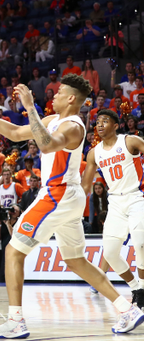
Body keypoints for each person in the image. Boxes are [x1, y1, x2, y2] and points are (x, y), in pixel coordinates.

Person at [0, 74, 144, 338]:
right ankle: (126, 308)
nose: (53, 96)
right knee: (76, 260)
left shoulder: (74, 126)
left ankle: (15, 321)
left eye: (59, 93)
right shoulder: (51, 120)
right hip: (66, 198)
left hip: (57, 195)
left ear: (71, 98)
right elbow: (14, 132)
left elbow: (46, 146)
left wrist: (29, 107)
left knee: (13, 251)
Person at [82, 109, 144, 310]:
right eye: (98, 122)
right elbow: (85, 185)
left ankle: (142, 287)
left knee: (141, 243)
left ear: (116, 125)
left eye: (105, 121)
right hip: (115, 202)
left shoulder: (130, 141)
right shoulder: (94, 153)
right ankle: (136, 288)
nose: (99, 125)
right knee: (109, 253)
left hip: (136, 197)